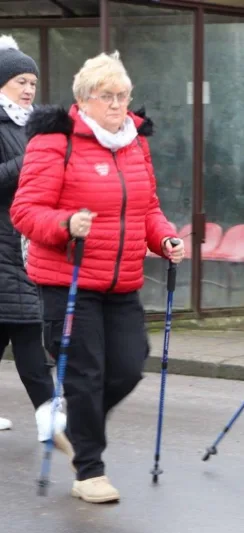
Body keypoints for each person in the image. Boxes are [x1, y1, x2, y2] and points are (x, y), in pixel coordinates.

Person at [11, 51, 185, 503]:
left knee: (128, 366)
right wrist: (66, 225)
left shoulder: (134, 143)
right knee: (86, 375)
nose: (116, 104)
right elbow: (25, 211)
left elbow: (146, 208)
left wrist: (164, 239)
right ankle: (90, 470)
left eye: (122, 95)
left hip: (122, 280)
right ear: (83, 100)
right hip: (68, 280)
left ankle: (72, 424)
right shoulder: (55, 142)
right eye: (105, 96)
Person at [0, 35, 72, 458]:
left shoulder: (36, 126)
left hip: (28, 246)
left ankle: (53, 420)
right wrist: (30, 158)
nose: (29, 89)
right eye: (20, 81)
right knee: (28, 333)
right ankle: (53, 421)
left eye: (33, 82)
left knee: (22, 330)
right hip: (4, 248)